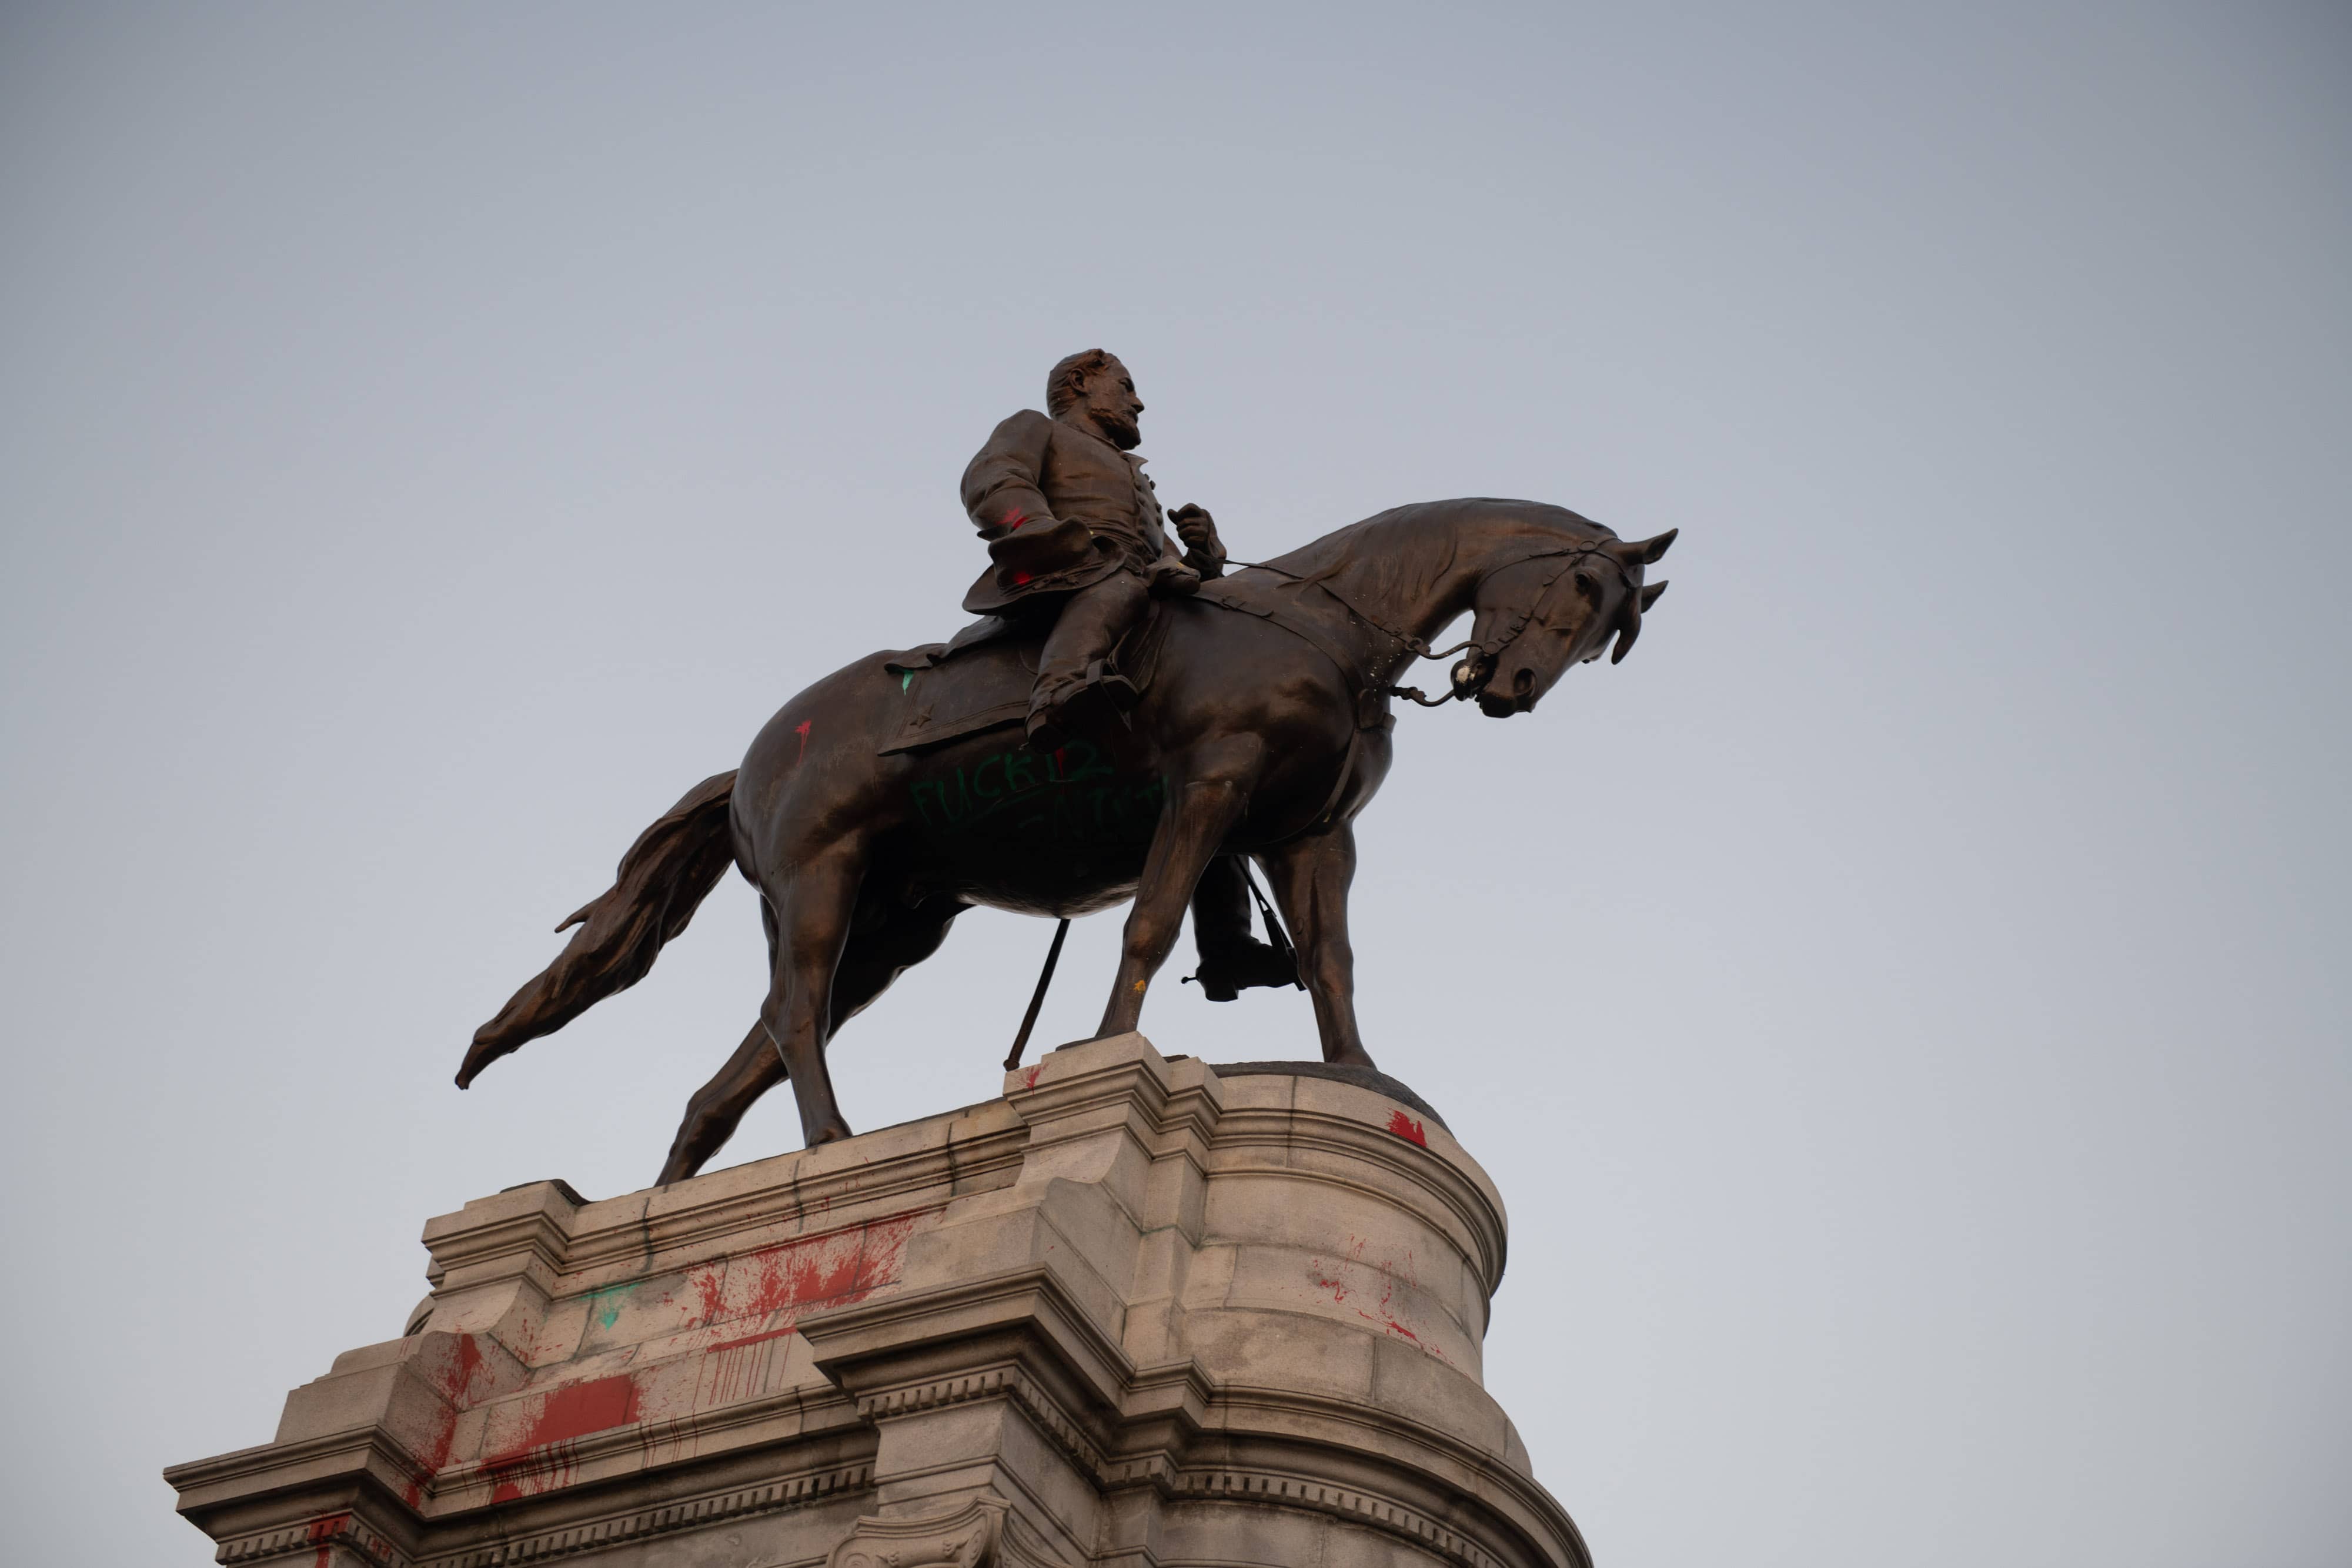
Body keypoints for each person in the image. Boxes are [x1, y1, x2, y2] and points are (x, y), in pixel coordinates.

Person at [960, 349, 1297, 1001]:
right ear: (1081, 384)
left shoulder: (1136, 478)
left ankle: (1225, 946)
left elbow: (1165, 567)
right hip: (1067, 571)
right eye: (1128, 387)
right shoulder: (1037, 427)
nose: (1139, 404)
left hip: (1138, 589)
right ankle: (1059, 686)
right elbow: (993, 480)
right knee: (1119, 582)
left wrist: (1204, 556)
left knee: (1216, 738)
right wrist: (1045, 534)